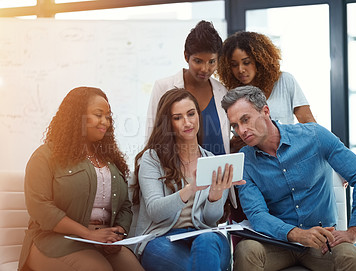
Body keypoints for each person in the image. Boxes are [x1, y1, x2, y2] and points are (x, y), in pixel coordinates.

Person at [221, 86, 356, 271]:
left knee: (351, 257)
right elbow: (257, 214)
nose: (242, 130)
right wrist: (297, 235)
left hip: (322, 243)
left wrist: (355, 230)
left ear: (265, 111)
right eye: (235, 126)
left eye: (245, 119)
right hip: (276, 243)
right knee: (247, 249)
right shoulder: (245, 161)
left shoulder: (315, 136)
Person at [18, 87, 143, 271]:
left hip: (101, 242)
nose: (105, 122)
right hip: (54, 241)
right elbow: (40, 208)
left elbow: (125, 205)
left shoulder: (110, 160)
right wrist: (87, 234)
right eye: (98, 115)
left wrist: (117, 233)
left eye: (108, 116)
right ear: (77, 117)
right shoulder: (45, 156)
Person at [132, 89, 245, 271]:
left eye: (191, 114)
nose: (187, 122)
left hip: (205, 236)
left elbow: (210, 220)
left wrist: (215, 197)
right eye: (178, 117)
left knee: (208, 240)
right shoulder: (152, 158)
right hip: (162, 237)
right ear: (168, 123)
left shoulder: (212, 160)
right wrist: (190, 189)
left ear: (198, 115)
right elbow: (155, 211)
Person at [145, 20, 230, 155]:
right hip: (177, 172)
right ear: (186, 56)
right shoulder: (164, 87)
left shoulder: (223, 92)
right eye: (198, 61)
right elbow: (152, 136)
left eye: (212, 62)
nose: (205, 69)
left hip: (219, 171)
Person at [217, 30, 315, 126]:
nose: (240, 69)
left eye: (246, 62)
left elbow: (310, 125)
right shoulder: (231, 93)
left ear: (259, 61)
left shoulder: (285, 81)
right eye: (234, 65)